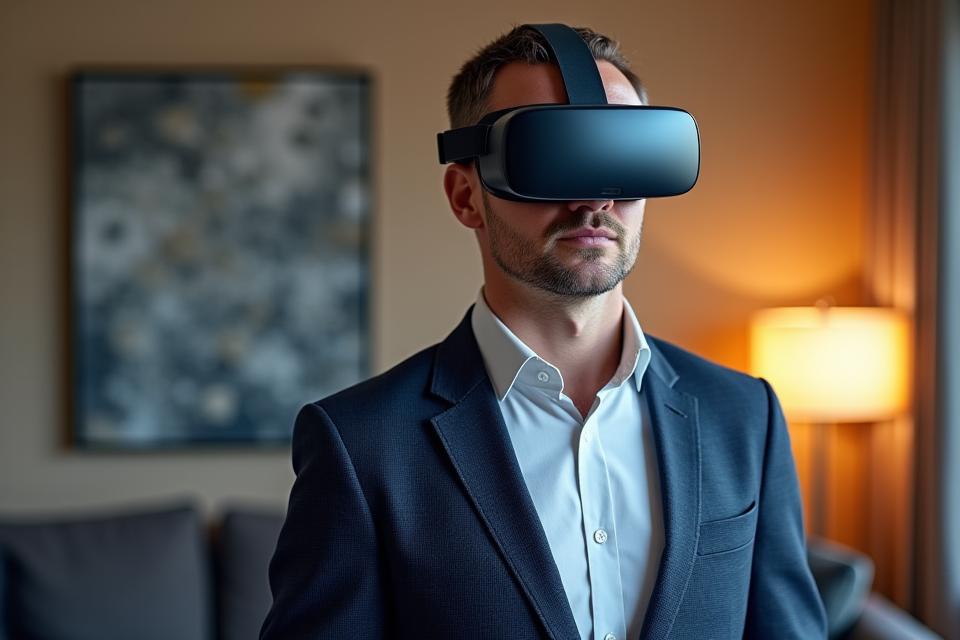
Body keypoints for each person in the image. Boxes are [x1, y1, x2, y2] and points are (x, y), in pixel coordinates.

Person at [260, 24, 827, 640]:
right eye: (549, 158)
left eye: (621, 156)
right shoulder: (362, 445)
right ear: (465, 196)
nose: (594, 198)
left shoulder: (744, 418)